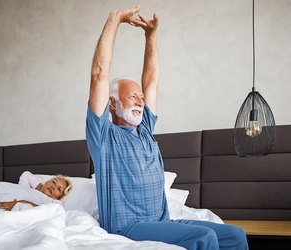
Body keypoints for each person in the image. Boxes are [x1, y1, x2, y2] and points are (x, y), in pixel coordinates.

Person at [85, 5, 248, 250]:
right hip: (128, 225)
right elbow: (99, 74)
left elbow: (151, 83)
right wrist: (115, 20)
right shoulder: (104, 137)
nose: (140, 101)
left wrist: (150, 36)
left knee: (235, 235)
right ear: (111, 103)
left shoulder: (146, 130)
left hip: (162, 220)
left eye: (140, 98)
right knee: (204, 238)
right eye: (132, 97)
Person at [0, 172, 72, 211]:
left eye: (59, 189)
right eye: (53, 182)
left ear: (59, 197)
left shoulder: (55, 203)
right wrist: (41, 188)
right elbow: (26, 174)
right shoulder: (29, 190)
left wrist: (19, 204)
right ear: (46, 182)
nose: (53, 187)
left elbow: (51, 213)